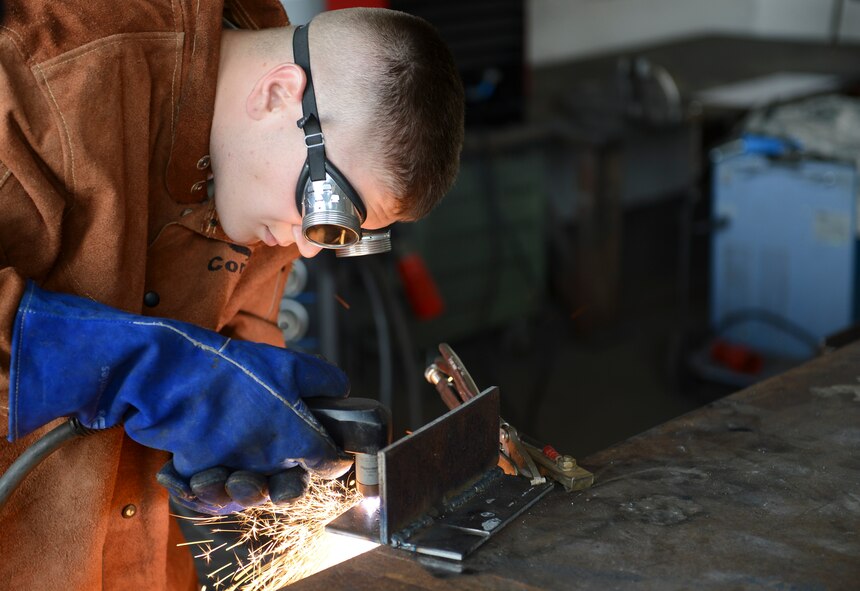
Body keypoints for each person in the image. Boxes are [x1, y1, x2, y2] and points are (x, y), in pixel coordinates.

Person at [0, 1, 464, 589]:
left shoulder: (257, 182)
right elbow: (175, 370)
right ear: (277, 96)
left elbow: (235, 340)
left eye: (339, 231)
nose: (310, 246)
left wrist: (250, 441)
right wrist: (144, 371)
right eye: (324, 207)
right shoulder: (44, 76)